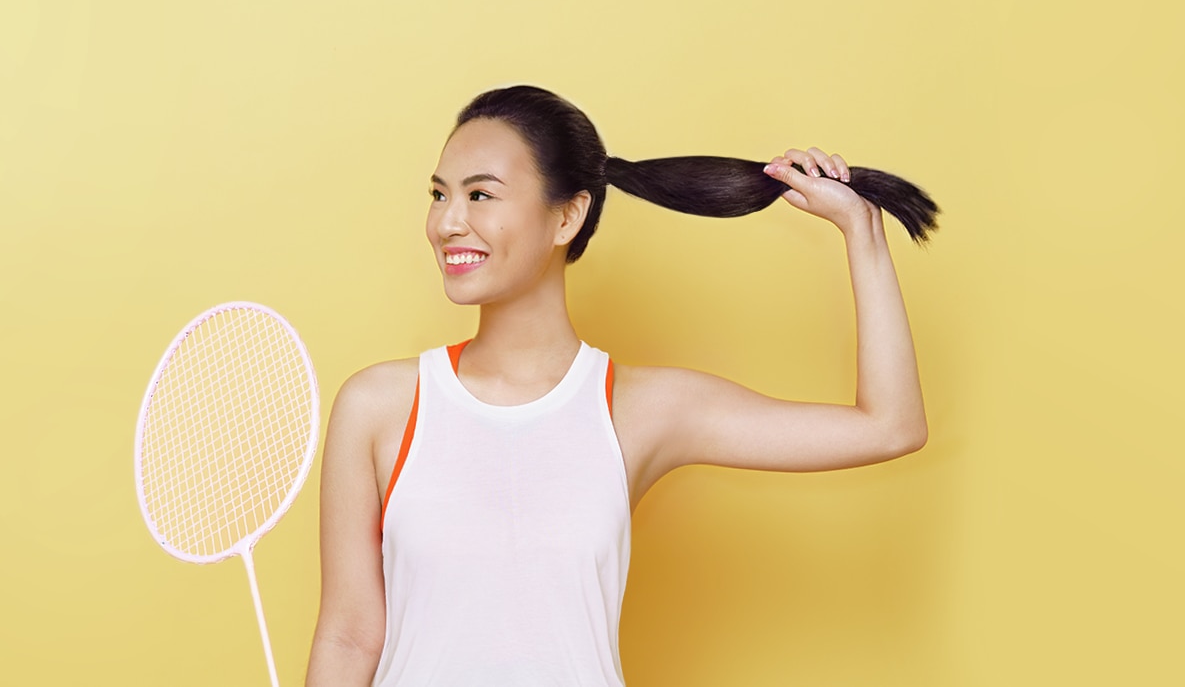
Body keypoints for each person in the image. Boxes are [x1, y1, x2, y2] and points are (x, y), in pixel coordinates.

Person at [301, 85, 937, 686]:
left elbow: (891, 426)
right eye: (439, 195)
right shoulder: (380, 408)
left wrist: (863, 232)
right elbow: (351, 636)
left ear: (567, 217)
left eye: (481, 195)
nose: (447, 223)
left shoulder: (636, 409)